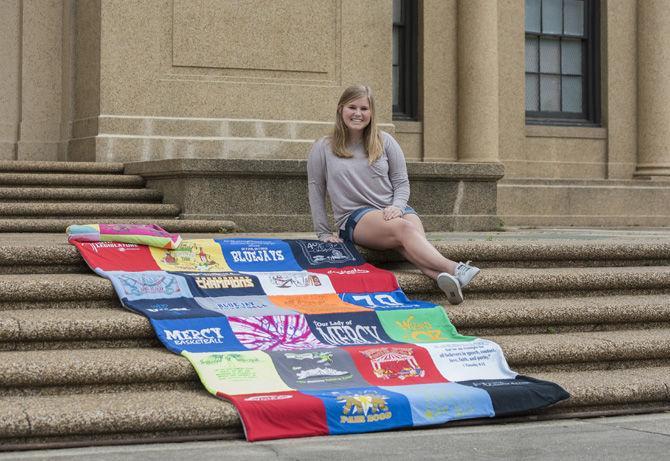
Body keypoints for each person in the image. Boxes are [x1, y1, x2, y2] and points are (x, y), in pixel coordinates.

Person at [306, 84, 480, 305]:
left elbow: (401, 182)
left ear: (372, 113)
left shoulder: (385, 141)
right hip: (356, 216)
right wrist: (322, 233)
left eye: (364, 108)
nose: (358, 114)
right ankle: (455, 268)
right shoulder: (323, 147)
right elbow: (316, 189)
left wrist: (398, 206)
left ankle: (440, 277)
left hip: (393, 208)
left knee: (408, 234)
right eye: (352, 107)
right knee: (405, 230)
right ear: (341, 109)